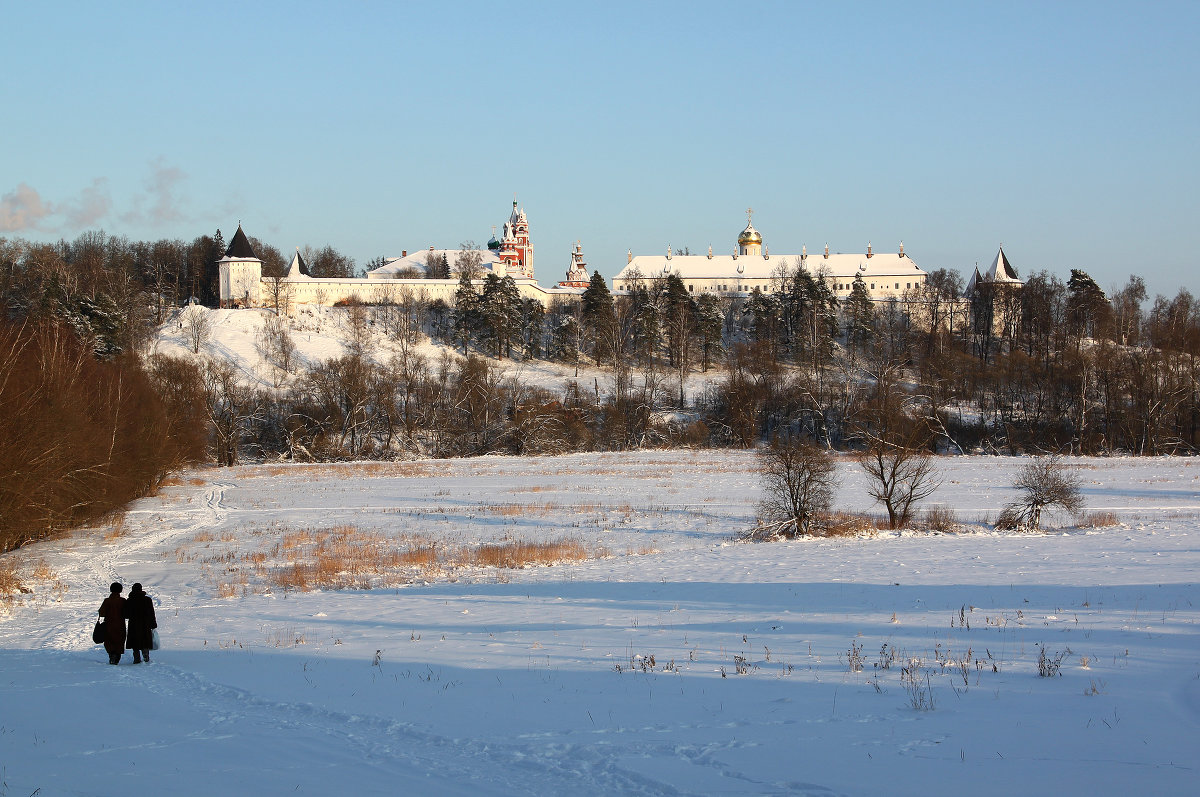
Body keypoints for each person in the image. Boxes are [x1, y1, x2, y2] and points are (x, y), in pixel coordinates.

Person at [125, 582, 158, 663]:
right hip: (145, 624)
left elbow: (126, 615)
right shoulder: (147, 600)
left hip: (133, 624)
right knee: (145, 640)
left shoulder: (129, 600)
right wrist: (153, 624)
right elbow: (151, 613)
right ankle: (146, 655)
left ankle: (136, 658)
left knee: (134, 642)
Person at [98, 582, 126, 665]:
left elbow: (101, 613)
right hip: (120, 625)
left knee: (109, 641)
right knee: (119, 641)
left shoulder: (107, 601)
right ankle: (117, 657)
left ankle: (112, 655)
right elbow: (126, 613)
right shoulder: (123, 601)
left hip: (109, 625)